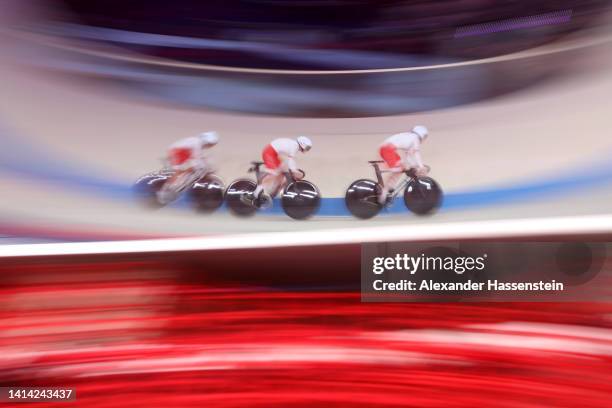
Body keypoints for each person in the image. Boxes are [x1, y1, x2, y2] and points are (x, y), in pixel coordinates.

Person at [246, 136, 313, 208]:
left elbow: (290, 161)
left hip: (273, 153)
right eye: (307, 147)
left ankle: (269, 191)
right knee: (274, 174)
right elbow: (291, 161)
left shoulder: (294, 145)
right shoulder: (295, 146)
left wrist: (294, 170)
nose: (307, 149)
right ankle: (253, 195)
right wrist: (294, 171)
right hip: (270, 153)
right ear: (302, 144)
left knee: (281, 172)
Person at [157, 131, 219, 204]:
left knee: (190, 169)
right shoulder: (197, 143)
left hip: (179, 150)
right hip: (179, 151)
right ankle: (166, 191)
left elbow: (199, 158)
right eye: (212, 144)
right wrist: (208, 169)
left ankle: (169, 189)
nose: (211, 146)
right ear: (209, 142)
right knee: (183, 170)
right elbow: (197, 159)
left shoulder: (196, 141)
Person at [378, 125, 429, 204]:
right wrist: (421, 166)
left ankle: (389, 186)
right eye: (425, 137)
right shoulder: (415, 138)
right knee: (398, 170)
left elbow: (409, 156)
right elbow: (416, 154)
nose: (424, 139)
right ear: (421, 134)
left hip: (387, 148)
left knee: (402, 166)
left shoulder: (410, 137)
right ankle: (384, 193)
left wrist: (414, 166)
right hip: (388, 149)